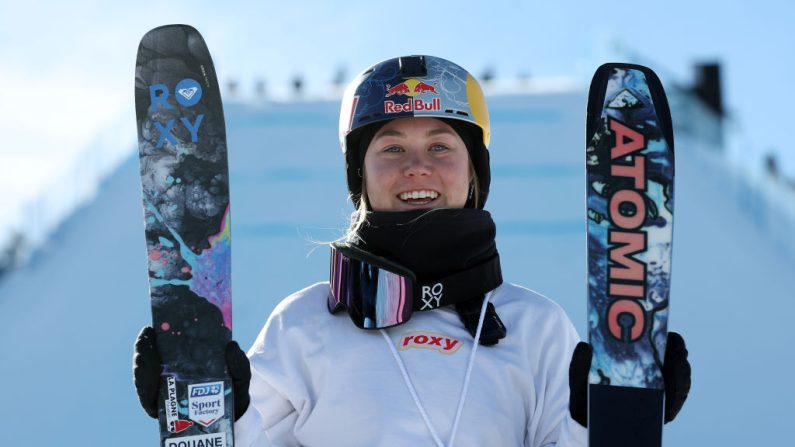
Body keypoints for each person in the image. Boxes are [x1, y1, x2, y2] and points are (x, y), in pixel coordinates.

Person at [134, 55, 691, 446]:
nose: (416, 165)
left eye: (441, 146)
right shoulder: (304, 325)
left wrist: (605, 420)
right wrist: (214, 412)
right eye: (391, 146)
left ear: (475, 174)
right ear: (361, 176)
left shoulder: (535, 327)